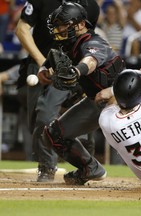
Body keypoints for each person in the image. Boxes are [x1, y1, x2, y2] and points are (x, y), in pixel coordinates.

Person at [38, 2, 128, 185]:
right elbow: (52, 57)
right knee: (53, 134)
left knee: (133, 145)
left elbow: (91, 60)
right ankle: (90, 169)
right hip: (96, 102)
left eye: (63, 24)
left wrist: (77, 71)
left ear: (80, 24)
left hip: (121, 102)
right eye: (57, 25)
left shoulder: (94, 41)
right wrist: (43, 69)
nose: (58, 29)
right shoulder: (66, 44)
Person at [15, 0, 100, 182]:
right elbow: (21, 30)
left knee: (47, 115)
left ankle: (52, 168)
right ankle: (82, 165)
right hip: (39, 65)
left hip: (69, 69)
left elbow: (87, 40)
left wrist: (75, 70)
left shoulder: (91, 5)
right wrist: (42, 63)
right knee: (36, 123)